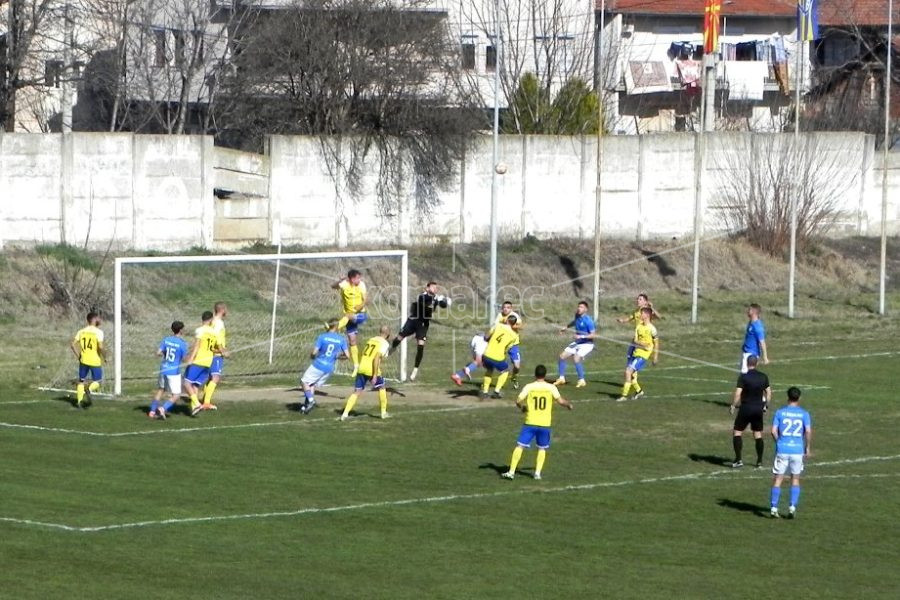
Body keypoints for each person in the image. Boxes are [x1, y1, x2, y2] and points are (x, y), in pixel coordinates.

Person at [501, 364, 573, 480]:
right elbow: (560, 401)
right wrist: (568, 404)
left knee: (520, 446)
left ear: (535, 374)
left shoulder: (529, 387)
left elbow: (518, 400)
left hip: (530, 422)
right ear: (545, 375)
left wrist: (522, 407)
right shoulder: (551, 387)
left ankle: (511, 472)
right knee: (542, 448)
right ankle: (537, 474)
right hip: (545, 424)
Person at [390, 281, 451, 381]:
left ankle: (415, 369)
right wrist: (435, 299)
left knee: (421, 345)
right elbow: (425, 301)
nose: (435, 289)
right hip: (413, 320)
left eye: (436, 288)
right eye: (433, 287)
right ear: (427, 288)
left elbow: (441, 304)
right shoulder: (422, 296)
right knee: (399, 338)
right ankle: (392, 348)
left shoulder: (435, 298)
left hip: (423, 324)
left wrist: (445, 302)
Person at [769, 387, 812, 518]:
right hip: (797, 450)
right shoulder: (804, 414)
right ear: (799, 398)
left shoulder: (780, 412)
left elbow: (773, 431)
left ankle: (774, 508)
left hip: (782, 449)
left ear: (787, 397)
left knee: (778, 479)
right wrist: (807, 447)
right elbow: (808, 431)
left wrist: (779, 441)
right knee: (795, 479)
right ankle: (792, 507)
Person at [340, 325, 392, 421]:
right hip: (371, 369)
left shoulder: (371, 339)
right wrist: (375, 375)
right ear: (388, 334)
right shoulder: (384, 343)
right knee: (382, 387)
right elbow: (376, 358)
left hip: (361, 367)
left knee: (357, 391)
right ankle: (383, 413)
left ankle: (345, 414)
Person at [729, 355, 772, 468]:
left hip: (746, 407)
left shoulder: (743, 377)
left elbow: (738, 393)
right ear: (757, 363)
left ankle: (738, 459)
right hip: (758, 408)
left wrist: (733, 405)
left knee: (737, 432)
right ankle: (759, 461)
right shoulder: (763, 377)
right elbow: (768, 392)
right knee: (757, 434)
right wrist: (766, 405)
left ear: (747, 364)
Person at [299, 320, 349, 414]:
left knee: (304, 381)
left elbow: (314, 352)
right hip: (330, 367)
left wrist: (312, 356)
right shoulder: (341, 339)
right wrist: (337, 357)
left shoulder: (322, 337)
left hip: (319, 364)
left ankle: (310, 400)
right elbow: (347, 356)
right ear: (337, 327)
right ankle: (306, 406)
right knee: (311, 384)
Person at [617, 307, 659, 402]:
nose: (640, 315)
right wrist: (642, 344)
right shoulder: (639, 326)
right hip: (636, 352)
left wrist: (655, 356)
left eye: (642, 313)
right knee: (631, 376)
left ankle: (623, 396)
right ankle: (639, 391)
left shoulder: (652, 329)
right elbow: (635, 340)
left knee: (628, 372)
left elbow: (656, 343)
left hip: (643, 355)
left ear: (647, 315)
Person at [149, 320, 189, 420]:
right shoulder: (182, 344)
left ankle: (152, 411)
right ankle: (163, 408)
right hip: (173, 372)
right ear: (181, 330)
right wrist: (190, 360)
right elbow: (184, 359)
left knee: (160, 390)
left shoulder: (166, 340)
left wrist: (166, 354)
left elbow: (158, 353)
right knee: (176, 395)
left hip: (163, 368)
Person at [183, 311, 220, 417]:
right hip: (208, 362)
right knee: (195, 385)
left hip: (199, 360)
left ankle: (197, 404)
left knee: (186, 383)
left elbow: (197, 346)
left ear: (202, 319)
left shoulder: (200, 330)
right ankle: (194, 407)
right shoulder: (214, 332)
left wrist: (191, 358)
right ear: (210, 320)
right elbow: (214, 348)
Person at [332, 269, 369, 375]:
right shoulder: (344, 284)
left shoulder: (361, 285)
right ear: (352, 279)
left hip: (360, 315)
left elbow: (365, 300)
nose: (359, 280)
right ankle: (356, 366)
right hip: (348, 317)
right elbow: (333, 287)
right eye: (358, 278)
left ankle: (335, 327)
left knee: (348, 316)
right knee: (352, 340)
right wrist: (339, 281)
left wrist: (359, 307)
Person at [553, 301, 596, 388]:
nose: (579, 308)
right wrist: (566, 327)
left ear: (586, 309)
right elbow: (574, 322)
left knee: (576, 358)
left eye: (581, 307)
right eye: (578, 307)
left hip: (587, 344)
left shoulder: (589, 321)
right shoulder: (577, 315)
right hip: (578, 342)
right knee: (562, 356)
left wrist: (581, 336)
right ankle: (561, 378)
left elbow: (593, 335)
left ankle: (582, 380)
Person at [480, 315, 520, 399]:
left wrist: (487, 339)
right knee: (505, 370)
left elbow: (486, 337)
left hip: (486, 355)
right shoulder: (514, 336)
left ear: (507, 321)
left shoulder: (497, 325)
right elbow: (507, 348)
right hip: (498, 357)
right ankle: (496, 392)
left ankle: (485, 392)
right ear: (513, 324)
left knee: (489, 370)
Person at [70, 311, 105, 408]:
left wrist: (78, 356)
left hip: (83, 360)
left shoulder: (81, 331)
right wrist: (105, 357)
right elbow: (101, 347)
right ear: (94, 320)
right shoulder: (98, 332)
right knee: (98, 381)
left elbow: (72, 345)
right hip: (94, 360)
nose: (99, 320)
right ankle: (89, 389)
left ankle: (79, 402)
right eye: (98, 318)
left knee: (81, 381)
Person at [616, 293, 661, 363]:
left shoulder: (648, 312)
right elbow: (629, 318)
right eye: (637, 299)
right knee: (630, 355)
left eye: (640, 299)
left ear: (645, 301)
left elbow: (658, 317)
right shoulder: (636, 311)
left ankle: (631, 371)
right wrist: (622, 320)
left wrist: (652, 308)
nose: (637, 301)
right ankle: (631, 372)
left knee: (636, 356)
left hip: (644, 337)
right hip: (637, 336)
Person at [203, 301, 230, 411]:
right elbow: (216, 338)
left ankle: (205, 400)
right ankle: (206, 403)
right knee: (215, 377)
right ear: (222, 310)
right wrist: (222, 350)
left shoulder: (211, 322)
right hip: (216, 353)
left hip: (209, 352)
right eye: (226, 309)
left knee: (210, 378)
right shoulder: (219, 323)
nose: (227, 311)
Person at [495, 301, 524, 388]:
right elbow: (496, 326)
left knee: (517, 366)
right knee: (495, 363)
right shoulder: (500, 315)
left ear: (511, 309)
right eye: (504, 307)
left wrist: (510, 326)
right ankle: (489, 382)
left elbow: (521, 326)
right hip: (502, 345)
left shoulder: (514, 316)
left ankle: (514, 377)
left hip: (513, 345)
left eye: (508, 307)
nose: (505, 309)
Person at [741, 303, 769, 374]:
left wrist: (765, 357)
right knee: (746, 376)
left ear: (753, 312)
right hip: (747, 352)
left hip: (751, 353)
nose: (747, 311)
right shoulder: (751, 322)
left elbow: (762, 342)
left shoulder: (757, 327)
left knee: (745, 376)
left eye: (749, 310)